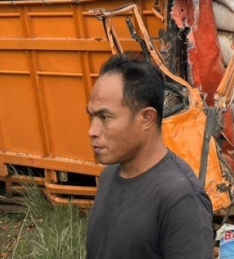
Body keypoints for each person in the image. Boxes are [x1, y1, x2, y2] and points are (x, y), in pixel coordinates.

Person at [86, 54, 213, 259]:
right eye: (91, 116)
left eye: (105, 117)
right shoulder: (109, 176)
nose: (92, 130)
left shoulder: (181, 198)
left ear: (147, 118)